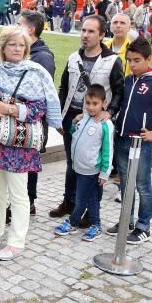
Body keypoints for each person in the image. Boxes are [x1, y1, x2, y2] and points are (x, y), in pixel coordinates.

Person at [0, 27, 62, 260]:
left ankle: (16, 241)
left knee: (18, 194)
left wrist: (11, 109)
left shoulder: (35, 73)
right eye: (12, 45)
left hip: (19, 142)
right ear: (3, 47)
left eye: (21, 46)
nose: (17, 49)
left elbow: (40, 108)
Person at [49, 16, 124, 221]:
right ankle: (70, 201)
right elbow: (64, 86)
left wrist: (110, 112)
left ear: (101, 34)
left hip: (95, 121)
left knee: (92, 168)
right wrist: (61, 117)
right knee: (72, 163)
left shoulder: (112, 60)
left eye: (91, 31)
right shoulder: (74, 57)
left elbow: (119, 91)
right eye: (83, 30)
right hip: (73, 119)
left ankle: (91, 211)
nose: (85, 35)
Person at [107, 38, 152, 243]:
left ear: (148, 59)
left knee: (142, 184)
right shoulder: (129, 79)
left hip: (140, 143)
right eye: (129, 60)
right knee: (125, 182)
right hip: (122, 139)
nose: (132, 64)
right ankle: (126, 220)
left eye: (137, 60)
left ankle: (143, 226)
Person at [53, 84, 114, 241]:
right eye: (88, 103)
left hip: (91, 170)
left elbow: (108, 150)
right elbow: (74, 135)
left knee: (80, 199)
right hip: (78, 167)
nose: (91, 107)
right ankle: (96, 224)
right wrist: (74, 122)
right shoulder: (83, 118)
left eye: (95, 104)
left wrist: (105, 172)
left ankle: (73, 222)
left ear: (103, 103)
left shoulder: (105, 125)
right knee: (92, 198)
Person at [17, 11, 55, 214]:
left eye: (19, 24)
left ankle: (28, 201)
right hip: (20, 118)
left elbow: (42, 94)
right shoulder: (27, 51)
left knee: (29, 162)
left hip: (34, 120)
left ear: (30, 29)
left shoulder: (42, 57)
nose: (15, 27)